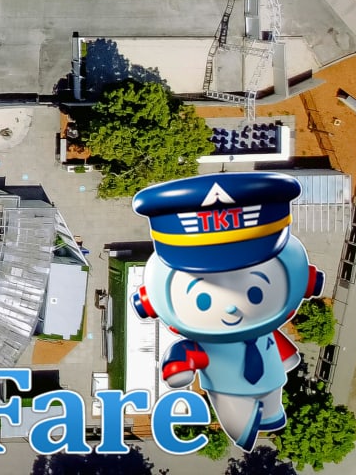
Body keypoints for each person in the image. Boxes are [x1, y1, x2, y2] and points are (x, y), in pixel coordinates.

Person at [131, 172, 323, 452]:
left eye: (255, 292)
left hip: (270, 381)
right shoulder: (204, 341)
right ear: (150, 302)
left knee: (270, 405)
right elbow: (185, 356)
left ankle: (270, 415)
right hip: (228, 390)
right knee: (238, 419)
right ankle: (244, 426)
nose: (232, 307)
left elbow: (278, 349)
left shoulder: (266, 327)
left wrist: (287, 358)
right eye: (204, 299)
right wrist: (179, 367)